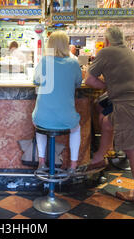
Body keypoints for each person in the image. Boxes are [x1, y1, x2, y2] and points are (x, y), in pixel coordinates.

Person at [85, 26, 134, 203]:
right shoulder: (127, 51)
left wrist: (106, 86)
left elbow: (89, 80)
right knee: (106, 122)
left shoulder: (106, 52)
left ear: (106, 41)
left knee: (133, 149)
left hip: (128, 106)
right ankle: (100, 157)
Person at [32, 31, 83, 174]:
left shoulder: (45, 62)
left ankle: (41, 162)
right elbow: (78, 83)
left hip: (42, 117)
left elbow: (35, 80)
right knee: (76, 128)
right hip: (66, 118)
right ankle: (73, 166)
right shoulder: (73, 62)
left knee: (39, 126)